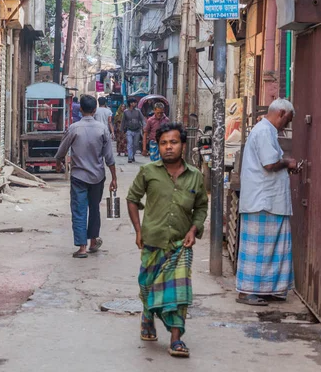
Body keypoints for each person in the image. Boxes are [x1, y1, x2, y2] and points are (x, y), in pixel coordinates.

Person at [127, 122, 208, 358]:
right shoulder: (148, 172)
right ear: (158, 147)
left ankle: (176, 339)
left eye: (173, 142)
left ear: (183, 145)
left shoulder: (195, 177)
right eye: (163, 143)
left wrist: (194, 230)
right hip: (152, 241)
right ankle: (147, 316)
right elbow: (132, 199)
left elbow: (201, 207)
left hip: (180, 246)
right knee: (147, 286)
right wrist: (138, 230)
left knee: (178, 294)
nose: (168, 147)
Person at [236, 98, 298, 306]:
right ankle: (247, 291)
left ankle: (265, 289)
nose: (287, 125)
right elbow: (270, 163)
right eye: (287, 120)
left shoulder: (267, 131)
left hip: (268, 200)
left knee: (269, 249)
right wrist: (288, 162)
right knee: (258, 249)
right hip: (262, 200)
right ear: (281, 113)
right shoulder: (264, 131)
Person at [56, 95, 117, 258]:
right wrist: (114, 178)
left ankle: (82, 248)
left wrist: (58, 162)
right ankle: (93, 242)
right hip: (97, 176)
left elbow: (62, 150)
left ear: (81, 109)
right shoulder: (102, 129)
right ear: (95, 110)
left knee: (79, 210)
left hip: (79, 176)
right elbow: (109, 157)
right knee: (94, 208)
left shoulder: (74, 128)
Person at [120, 98, 145, 163]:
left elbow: (142, 119)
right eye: (134, 102)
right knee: (130, 144)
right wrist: (121, 130)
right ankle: (130, 158)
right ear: (130, 104)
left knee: (135, 145)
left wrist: (144, 127)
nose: (135, 104)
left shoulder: (138, 111)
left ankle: (132, 155)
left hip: (137, 130)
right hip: (129, 130)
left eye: (135, 102)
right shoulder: (125, 112)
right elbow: (123, 121)